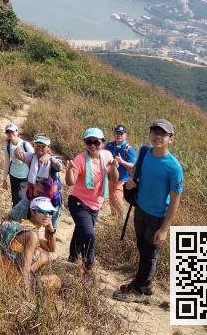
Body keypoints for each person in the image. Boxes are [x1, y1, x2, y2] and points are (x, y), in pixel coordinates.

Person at [114, 119, 183, 303]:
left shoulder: (174, 167)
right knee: (142, 248)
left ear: (171, 139)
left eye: (163, 133)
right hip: (140, 210)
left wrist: (164, 229)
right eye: (155, 132)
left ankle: (138, 291)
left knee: (150, 254)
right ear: (150, 134)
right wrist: (132, 182)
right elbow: (136, 173)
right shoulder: (145, 152)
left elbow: (175, 200)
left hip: (157, 217)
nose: (158, 136)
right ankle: (144, 283)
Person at [65, 127, 119, 281]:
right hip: (78, 202)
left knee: (81, 229)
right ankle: (89, 267)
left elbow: (114, 178)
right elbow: (70, 182)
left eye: (96, 142)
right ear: (85, 143)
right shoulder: (80, 159)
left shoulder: (107, 155)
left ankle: (73, 257)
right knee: (89, 234)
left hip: (96, 204)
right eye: (89, 142)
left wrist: (114, 166)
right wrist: (69, 170)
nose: (93, 145)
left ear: (102, 142)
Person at [0, 197, 61, 291]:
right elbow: (25, 268)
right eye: (42, 211)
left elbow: (51, 248)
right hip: (13, 280)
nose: (47, 215)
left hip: (1, 269)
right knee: (56, 280)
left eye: (50, 212)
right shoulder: (32, 235)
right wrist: (25, 293)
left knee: (45, 254)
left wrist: (51, 229)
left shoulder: (24, 225)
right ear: (32, 211)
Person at [11, 135, 64, 230]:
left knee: (51, 228)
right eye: (37, 145)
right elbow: (18, 155)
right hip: (33, 197)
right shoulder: (31, 157)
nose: (39, 148)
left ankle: (49, 241)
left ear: (48, 148)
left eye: (43, 146)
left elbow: (59, 167)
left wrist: (49, 157)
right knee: (14, 216)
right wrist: (17, 148)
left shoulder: (53, 159)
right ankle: (30, 239)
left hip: (52, 201)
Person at [105, 125, 137, 220]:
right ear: (114, 134)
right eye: (117, 133)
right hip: (111, 177)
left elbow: (133, 166)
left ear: (125, 135)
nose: (119, 135)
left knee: (117, 197)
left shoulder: (128, 149)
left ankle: (120, 219)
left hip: (122, 179)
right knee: (111, 196)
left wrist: (121, 162)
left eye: (121, 133)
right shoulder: (109, 145)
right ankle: (113, 216)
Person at [2, 124, 34, 207]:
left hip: (24, 177)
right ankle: (15, 217)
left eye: (12, 131)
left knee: (21, 197)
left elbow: (34, 158)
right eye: (8, 132)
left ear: (17, 132)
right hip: (13, 175)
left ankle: (21, 216)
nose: (10, 134)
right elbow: (6, 163)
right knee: (15, 198)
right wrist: (4, 178)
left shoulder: (25, 145)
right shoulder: (8, 146)